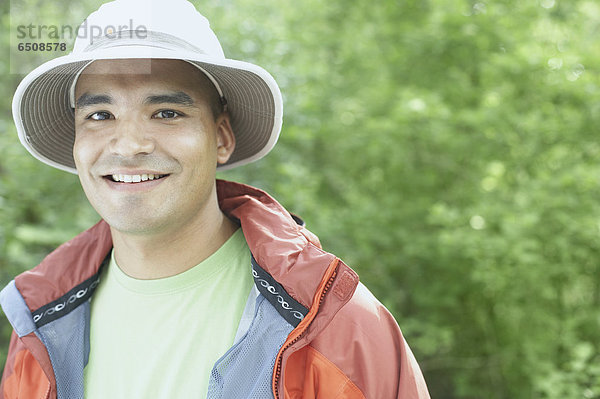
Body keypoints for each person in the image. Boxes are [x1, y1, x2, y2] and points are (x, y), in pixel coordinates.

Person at [0, 0, 430, 398]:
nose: (128, 144)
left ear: (220, 138)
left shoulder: (332, 321)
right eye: (99, 115)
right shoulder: (37, 323)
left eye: (167, 112)